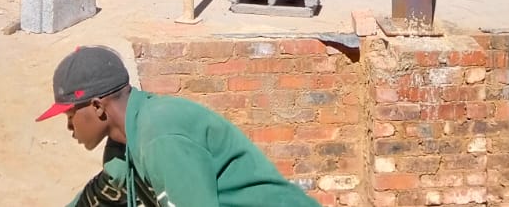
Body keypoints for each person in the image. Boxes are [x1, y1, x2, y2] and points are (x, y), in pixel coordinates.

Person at [38, 46, 317, 207]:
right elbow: (97, 198)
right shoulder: (126, 144)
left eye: (70, 115)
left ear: (98, 107)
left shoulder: (161, 136)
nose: (69, 127)